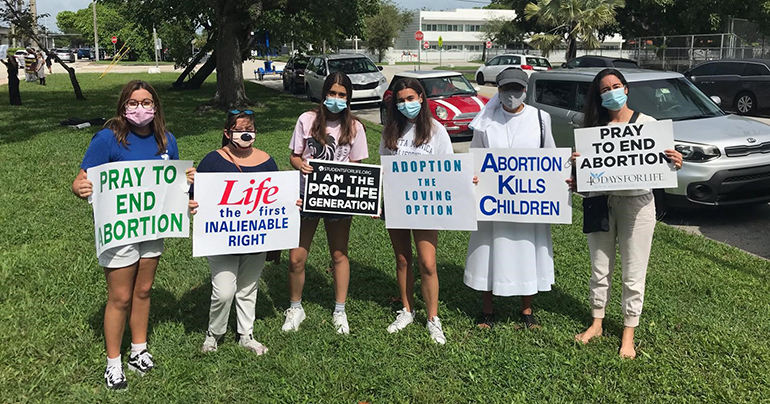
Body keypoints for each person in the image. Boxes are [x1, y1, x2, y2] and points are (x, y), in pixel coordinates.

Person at [71, 80, 193, 390]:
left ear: (156, 107)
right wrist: (79, 187)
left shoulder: (167, 140)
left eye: (147, 102)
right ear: (124, 106)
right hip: (119, 230)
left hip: (154, 227)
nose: (141, 108)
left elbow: (176, 186)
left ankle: (138, 349)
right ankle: (113, 362)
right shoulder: (107, 139)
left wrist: (187, 185)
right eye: (134, 102)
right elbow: (82, 180)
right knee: (121, 296)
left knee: (144, 290)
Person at [570, 68, 683, 359]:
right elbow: (583, 178)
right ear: (598, 95)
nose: (611, 92)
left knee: (634, 272)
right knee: (599, 268)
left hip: (638, 206)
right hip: (600, 202)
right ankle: (596, 323)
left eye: (616, 86)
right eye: (605, 89)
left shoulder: (648, 125)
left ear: (626, 89)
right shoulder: (592, 129)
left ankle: (628, 332)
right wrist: (576, 168)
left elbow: (662, 166)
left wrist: (675, 161)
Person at [464, 68, 556, 330]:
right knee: (488, 251)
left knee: (527, 249)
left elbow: (550, 156)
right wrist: (473, 177)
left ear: (525, 90)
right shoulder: (485, 121)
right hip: (493, 201)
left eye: (516, 89)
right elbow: (475, 157)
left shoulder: (540, 118)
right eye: (505, 89)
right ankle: (487, 310)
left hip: (528, 202)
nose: (511, 95)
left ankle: (526, 310)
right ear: (498, 89)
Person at [188, 110, 280, 355]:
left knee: (249, 287)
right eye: (239, 130)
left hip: (256, 239)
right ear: (227, 133)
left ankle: (246, 334)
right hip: (221, 239)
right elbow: (194, 194)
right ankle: (214, 334)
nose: (245, 134)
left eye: (249, 129)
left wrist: (292, 204)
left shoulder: (267, 160)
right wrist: (192, 202)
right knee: (224, 290)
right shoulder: (212, 161)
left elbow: (278, 196)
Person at [283, 71, 369, 334]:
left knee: (339, 254)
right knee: (297, 257)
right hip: (306, 195)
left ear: (348, 98)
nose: (336, 99)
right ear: (324, 95)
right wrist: (302, 165)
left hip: (339, 199)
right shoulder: (306, 120)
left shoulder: (355, 127)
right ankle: (295, 307)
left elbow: (357, 167)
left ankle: (340, 310)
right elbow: (294, 156)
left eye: (342, 95)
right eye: (332, 93)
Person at [379, 77, 454, 345]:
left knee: (428, 263)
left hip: (426, 204)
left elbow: (449, 169)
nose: (405, 104)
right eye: (400, 101)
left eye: (410, 99)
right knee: (402, 260)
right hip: (397, 203)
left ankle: (433, 318)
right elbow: (384, 170)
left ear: (421, 98)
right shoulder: (390, 131)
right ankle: (407, 309)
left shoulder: (436, 131)